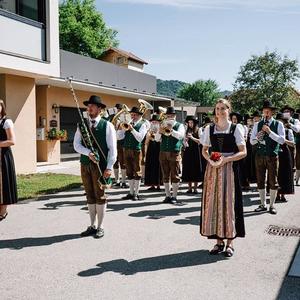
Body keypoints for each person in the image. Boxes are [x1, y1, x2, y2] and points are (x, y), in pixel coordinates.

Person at [200, 98, 246, 257]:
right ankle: (218, 241)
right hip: (213, 170)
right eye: (217, 108)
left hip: (229, 170)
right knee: (214, 204)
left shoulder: (235, 128)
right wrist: (210, 161)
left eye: (222, 108)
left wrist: (226, 159)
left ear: (228, 110)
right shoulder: (209, 129)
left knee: (228, 204)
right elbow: (204, 150)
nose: (219, 111)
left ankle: (230, 243)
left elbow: (243, 151)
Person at [74, 95, 117, 239]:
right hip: (85, 164)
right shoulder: (82, 125)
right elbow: (76, 145)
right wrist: (88, 153)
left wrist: (110, 167)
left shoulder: (108, 125)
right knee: (89, 195)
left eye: (93, 106)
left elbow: (113, 149)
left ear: (100, 109)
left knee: (101, 196)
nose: (89, 108)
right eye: (88, 105)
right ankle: (92, 225)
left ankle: (100, 226)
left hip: (101, 166)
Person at [250, 100, 285, 215]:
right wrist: (257, 138)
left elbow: (282, 140)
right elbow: (251, 142)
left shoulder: (278, 124)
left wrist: (269, 132)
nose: (266, 113)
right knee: (260, 180)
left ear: (272, 112)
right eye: (264, 111)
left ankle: (272, 205)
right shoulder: (257, 124)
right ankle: (262, 204)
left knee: (273, 181)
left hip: (272, 156)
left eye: (268, 111)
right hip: (260, 155)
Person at [155, 106, 185, 205]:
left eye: (172, 115)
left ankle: (174, 196)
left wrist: (171, 130)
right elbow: (156, 139)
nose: (170, 117)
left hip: (174, 152)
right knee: (165, 175)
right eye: (168, 115)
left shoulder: (180, 125)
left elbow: (181, 136)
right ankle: (167, 195)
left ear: (175, 116)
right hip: (163, 152)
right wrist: (160, 131)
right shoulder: (162, 124)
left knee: (175, 175)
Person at [117, 106, 148, 200]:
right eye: (132, 115)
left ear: (139, 116)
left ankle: (136, 193)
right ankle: (131, 192)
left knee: (137, 172)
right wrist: (121, 128)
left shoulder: (143, 124)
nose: (133, 117)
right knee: (129, 171)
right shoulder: (129, 123)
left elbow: (140, 138)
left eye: (134, 115)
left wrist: (132, 129)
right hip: (126, 149)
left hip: (136, 150)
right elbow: (119, 137)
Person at [0, 99, 18, 221]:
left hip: (3, 156)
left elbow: (12, 141)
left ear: (2, 107)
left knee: (4, 183)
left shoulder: (7, 122)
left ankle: (3, 211)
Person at [275, 113, 295, 202]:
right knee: (275, 174)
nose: (280, 123)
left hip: (285, 153)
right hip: (275, 152)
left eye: (281, 121)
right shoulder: (273, 131)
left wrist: (283, 140)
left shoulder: (288, 131)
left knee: (284, 174)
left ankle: (283, 194)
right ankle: (276, 195)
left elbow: (292, 144)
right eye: (278, 121)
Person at [182, 116, 202, 194]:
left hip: (196, 151)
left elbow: (200, 141)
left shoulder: (198, 130)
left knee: (195, 168)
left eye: (191, 122)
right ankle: (189, 187)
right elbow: (184, 142)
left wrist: (192, 137)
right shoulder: (186, 131)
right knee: (188, 168)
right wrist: (185, 141)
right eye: (189, 123)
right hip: (188, 151)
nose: (190, 124)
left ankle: (195, 188)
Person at [144, 114, 162, 190]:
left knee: (158, 167)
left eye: (156, 122)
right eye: (153, 122)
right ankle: (152, 184)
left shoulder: (161, 130)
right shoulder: (149, 131)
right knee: (151, 166)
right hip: (151, 151)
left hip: (159, 150)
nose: (154, 123)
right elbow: (146, 143)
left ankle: (158, 184)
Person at [112, 103, 128, 188]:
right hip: (115, 142)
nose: (118, 112)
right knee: (115, 161)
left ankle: (124, 181)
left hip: (122, 142)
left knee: (123, 162)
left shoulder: (125, 120)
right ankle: (117, 180)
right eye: (117, 110)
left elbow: (125, 131)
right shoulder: (114, 119)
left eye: (120, 110)